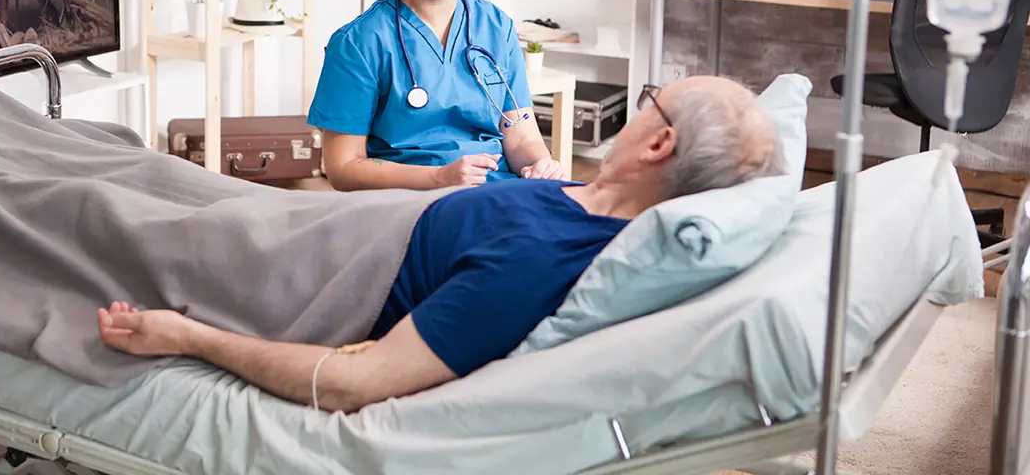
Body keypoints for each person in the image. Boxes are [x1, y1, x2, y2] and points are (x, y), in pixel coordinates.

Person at [97, 75, 781, 413]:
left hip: (304, 268)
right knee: (126, 162)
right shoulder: (581, 197)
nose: (639, 110)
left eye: (651, 101)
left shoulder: (540, 264)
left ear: (659, 143)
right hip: (315, 222)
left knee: (97, 204)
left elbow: (351, 383)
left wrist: (189, 338)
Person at [307, 0, 562, 191]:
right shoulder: (360, 43)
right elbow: (343, 168)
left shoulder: (496, 27)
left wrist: (540, 165)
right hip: (411, 200)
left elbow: (521, 136)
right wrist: (438, 178)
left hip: (496, 189)